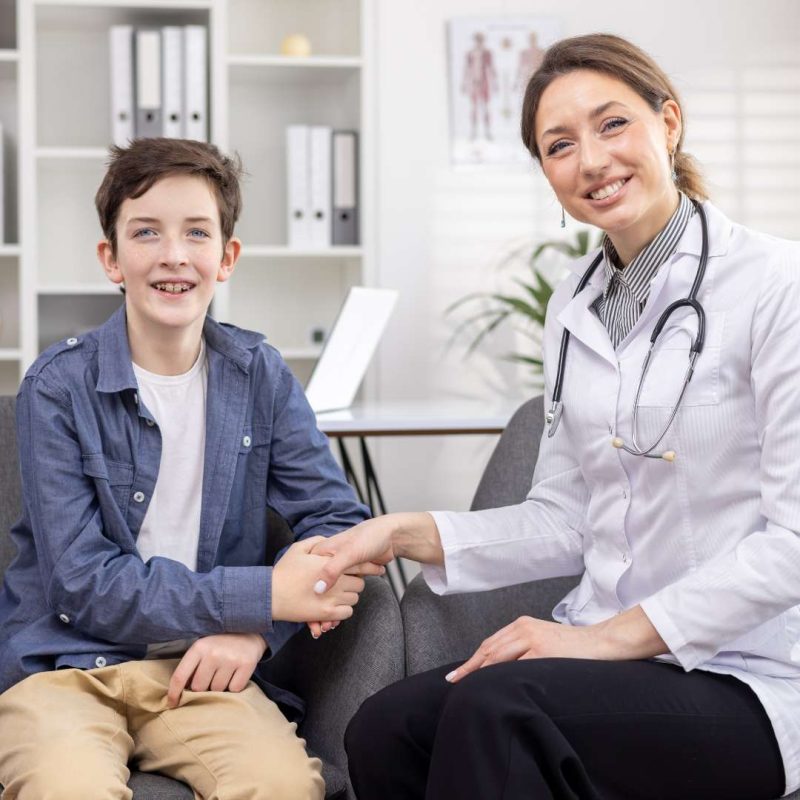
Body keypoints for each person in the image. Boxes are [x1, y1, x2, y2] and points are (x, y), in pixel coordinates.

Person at [311, 34, 800, 799]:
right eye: (559, 145)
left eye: (613, 125)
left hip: (748, 673)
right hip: (607, 656)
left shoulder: (776, 284)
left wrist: (602, 637)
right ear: (546, 172)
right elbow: (566, 519)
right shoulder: (575, 303)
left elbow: (793, 544)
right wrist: (400, 531)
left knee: (499, 708)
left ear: (668, 124)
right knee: (386, 725)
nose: (592, 161)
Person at [0, 137, 379, 799]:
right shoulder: (56, 387)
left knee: (286, 788)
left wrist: (257, 633)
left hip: (203, 671)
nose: (174, 255)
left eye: (196, 232)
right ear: (111, 259)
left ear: (226, 257)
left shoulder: (259, 374)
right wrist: (259, 597)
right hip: (63, 669)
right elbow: (82, 582)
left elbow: (342, 526)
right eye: (146, 232)